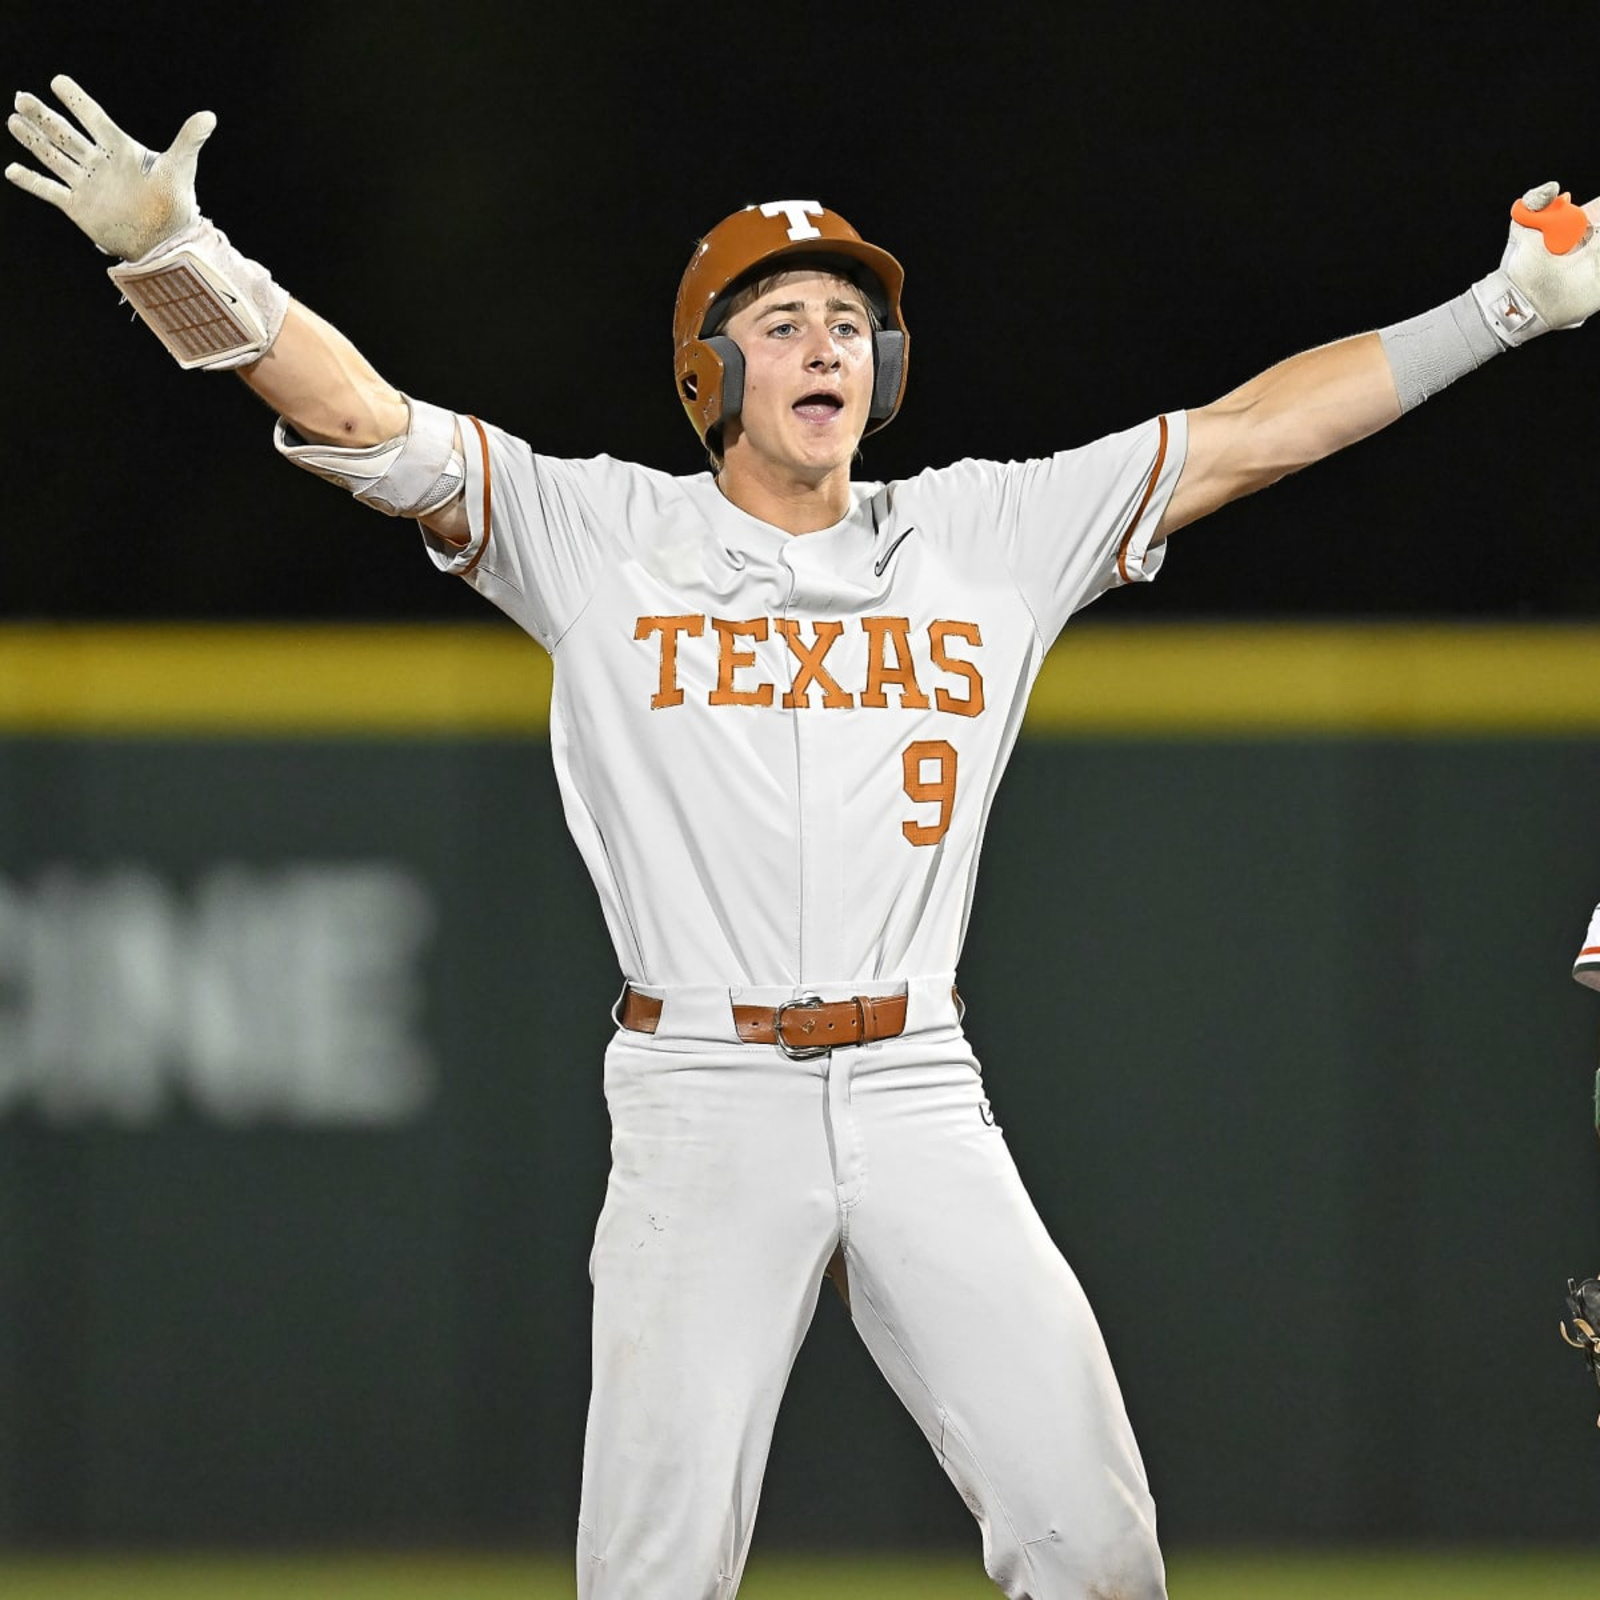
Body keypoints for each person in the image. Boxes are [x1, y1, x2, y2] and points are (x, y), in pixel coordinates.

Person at [8, 74, 1599, 1600]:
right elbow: (362, 418)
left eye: (851, 323)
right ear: (712, 377)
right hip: (702, 1092)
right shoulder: (600, 534)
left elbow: (1256, 431)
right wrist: (178, 258)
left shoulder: (986, 532)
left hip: (919, 1084)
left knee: (1098, 1548)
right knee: (650, 1577)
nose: (827, 343)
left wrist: (1505, 307)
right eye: (782, 323)